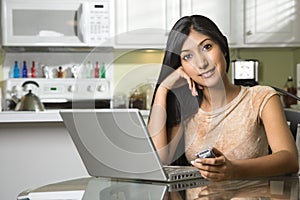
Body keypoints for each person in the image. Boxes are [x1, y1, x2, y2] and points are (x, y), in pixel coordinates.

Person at [147, 15, 299, 182]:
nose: (202, 63)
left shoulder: (260, 97)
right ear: (180, 66)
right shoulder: (185, 108)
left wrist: (234, 170)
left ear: (223, 48)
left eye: (207, 47)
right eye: (188, 57)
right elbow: (159, 162)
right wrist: (163, 88)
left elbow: (290, 160)